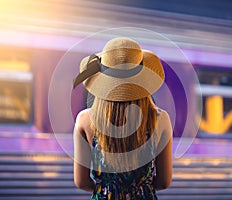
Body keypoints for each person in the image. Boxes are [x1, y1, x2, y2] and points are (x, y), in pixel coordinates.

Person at [73, 37, 173, 200]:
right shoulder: (160, 119)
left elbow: (81, 182)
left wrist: (107, 189)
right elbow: (163, 182)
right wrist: (139, 189)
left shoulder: (85, 119)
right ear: (143, 79)